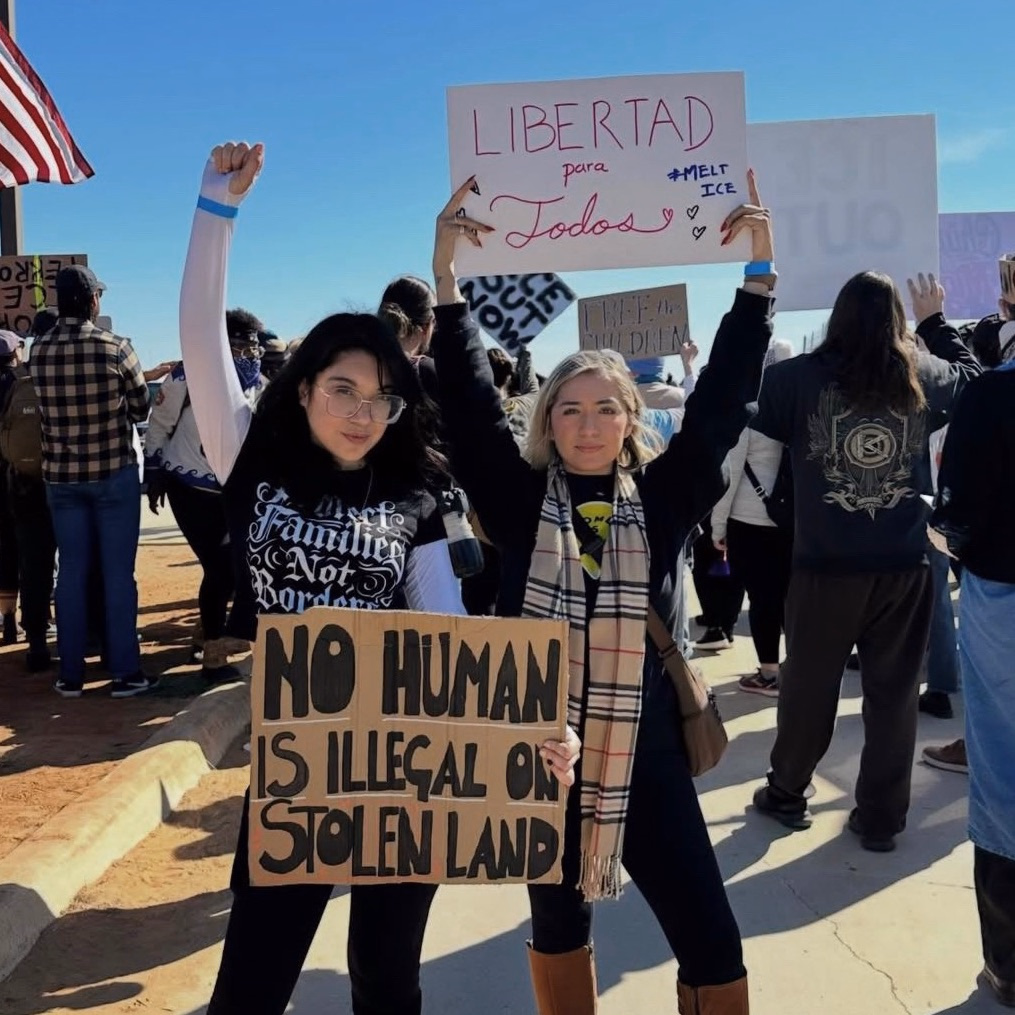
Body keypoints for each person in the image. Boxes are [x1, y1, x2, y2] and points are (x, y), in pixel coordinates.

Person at [180, 140, 578, 1015]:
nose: (364, 412)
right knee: (250, 982)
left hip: (408, 770)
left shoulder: (417, 493)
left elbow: (452, 636)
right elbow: (200, 337)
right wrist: (217, 208)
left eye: (382, 397)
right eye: (343, 389)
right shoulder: (251, 457)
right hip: (296, 770)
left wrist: (528, 730)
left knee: (388, 982)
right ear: (302, 389)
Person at [433, 169, 774, 1015]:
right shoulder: (513, 503)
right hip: (538, 748)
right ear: (546, 418)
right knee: (557, 927)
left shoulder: (664, 496)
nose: (586, 424)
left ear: (630, 418)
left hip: (647, 748)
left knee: (709, 935)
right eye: (568, 408)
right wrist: (446, 284)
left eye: (604, 409)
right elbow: (472, 412)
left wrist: (757, 279)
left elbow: (722, 403)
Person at [749, 271, 980, 852]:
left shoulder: (793, 378)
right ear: (897, 321)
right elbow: (978, 384)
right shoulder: (924, 374)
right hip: (904, 562)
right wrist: (934, 323)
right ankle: (881, 818)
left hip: (824, 563)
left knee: (808, 687)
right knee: (894, 696)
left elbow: (752, 409)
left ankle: (787, 792)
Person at [930, 351, 1015, 1008]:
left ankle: (1008, 966)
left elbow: (954, 518)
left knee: (1003, 777)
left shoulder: (990, 395)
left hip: (1002, 597)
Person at [30, 265, 158, 698]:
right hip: (112, 473)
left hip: (61, 479)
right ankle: (125, 672)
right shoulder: (116, 347)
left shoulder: (39, 351)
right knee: (118, 575)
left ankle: (70, 674)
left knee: (71, 574)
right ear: (92, 301)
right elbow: (141, 408)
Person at [144, 311, 265, 682]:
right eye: (240, 345)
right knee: (220, 569)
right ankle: (213, 653)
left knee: (231, 568)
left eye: (252, 345)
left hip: (234, 491)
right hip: (188, 487)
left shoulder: (258, 382)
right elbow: (160, 422)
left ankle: (206, 630)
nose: (248, 353)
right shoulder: (186, 376)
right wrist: (153, 474)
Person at [711, 339, 795, 695]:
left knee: (763, 600)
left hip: (750, 519)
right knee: (792, 597)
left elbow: (728, 476)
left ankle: (770, 673)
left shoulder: (750, 411)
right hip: (794, 519)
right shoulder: (802, 406)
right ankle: (800, 666)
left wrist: (717, 525)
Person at [0, 330, 25, 644]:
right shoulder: (23, 382)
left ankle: (5, 615)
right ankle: (20, 618)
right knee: (23, 548)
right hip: (20, 476)